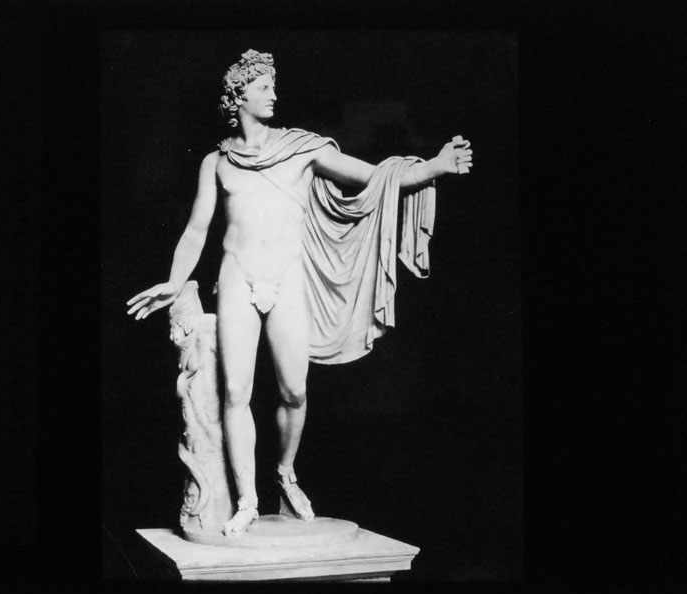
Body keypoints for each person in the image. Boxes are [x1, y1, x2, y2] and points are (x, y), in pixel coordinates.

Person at [126, 49, 472, 536]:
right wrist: (174, 279)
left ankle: (285, 474)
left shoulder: (303, 149)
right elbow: (196, 230)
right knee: (235, 392)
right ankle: (247, 500)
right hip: (238, 276)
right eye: (263, 86)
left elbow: (376, 177)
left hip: (287, 277)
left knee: (294, 390)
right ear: (239, 96)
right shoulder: (217, 162)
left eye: (273, 85)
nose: (274, 94)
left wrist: (435, 167)